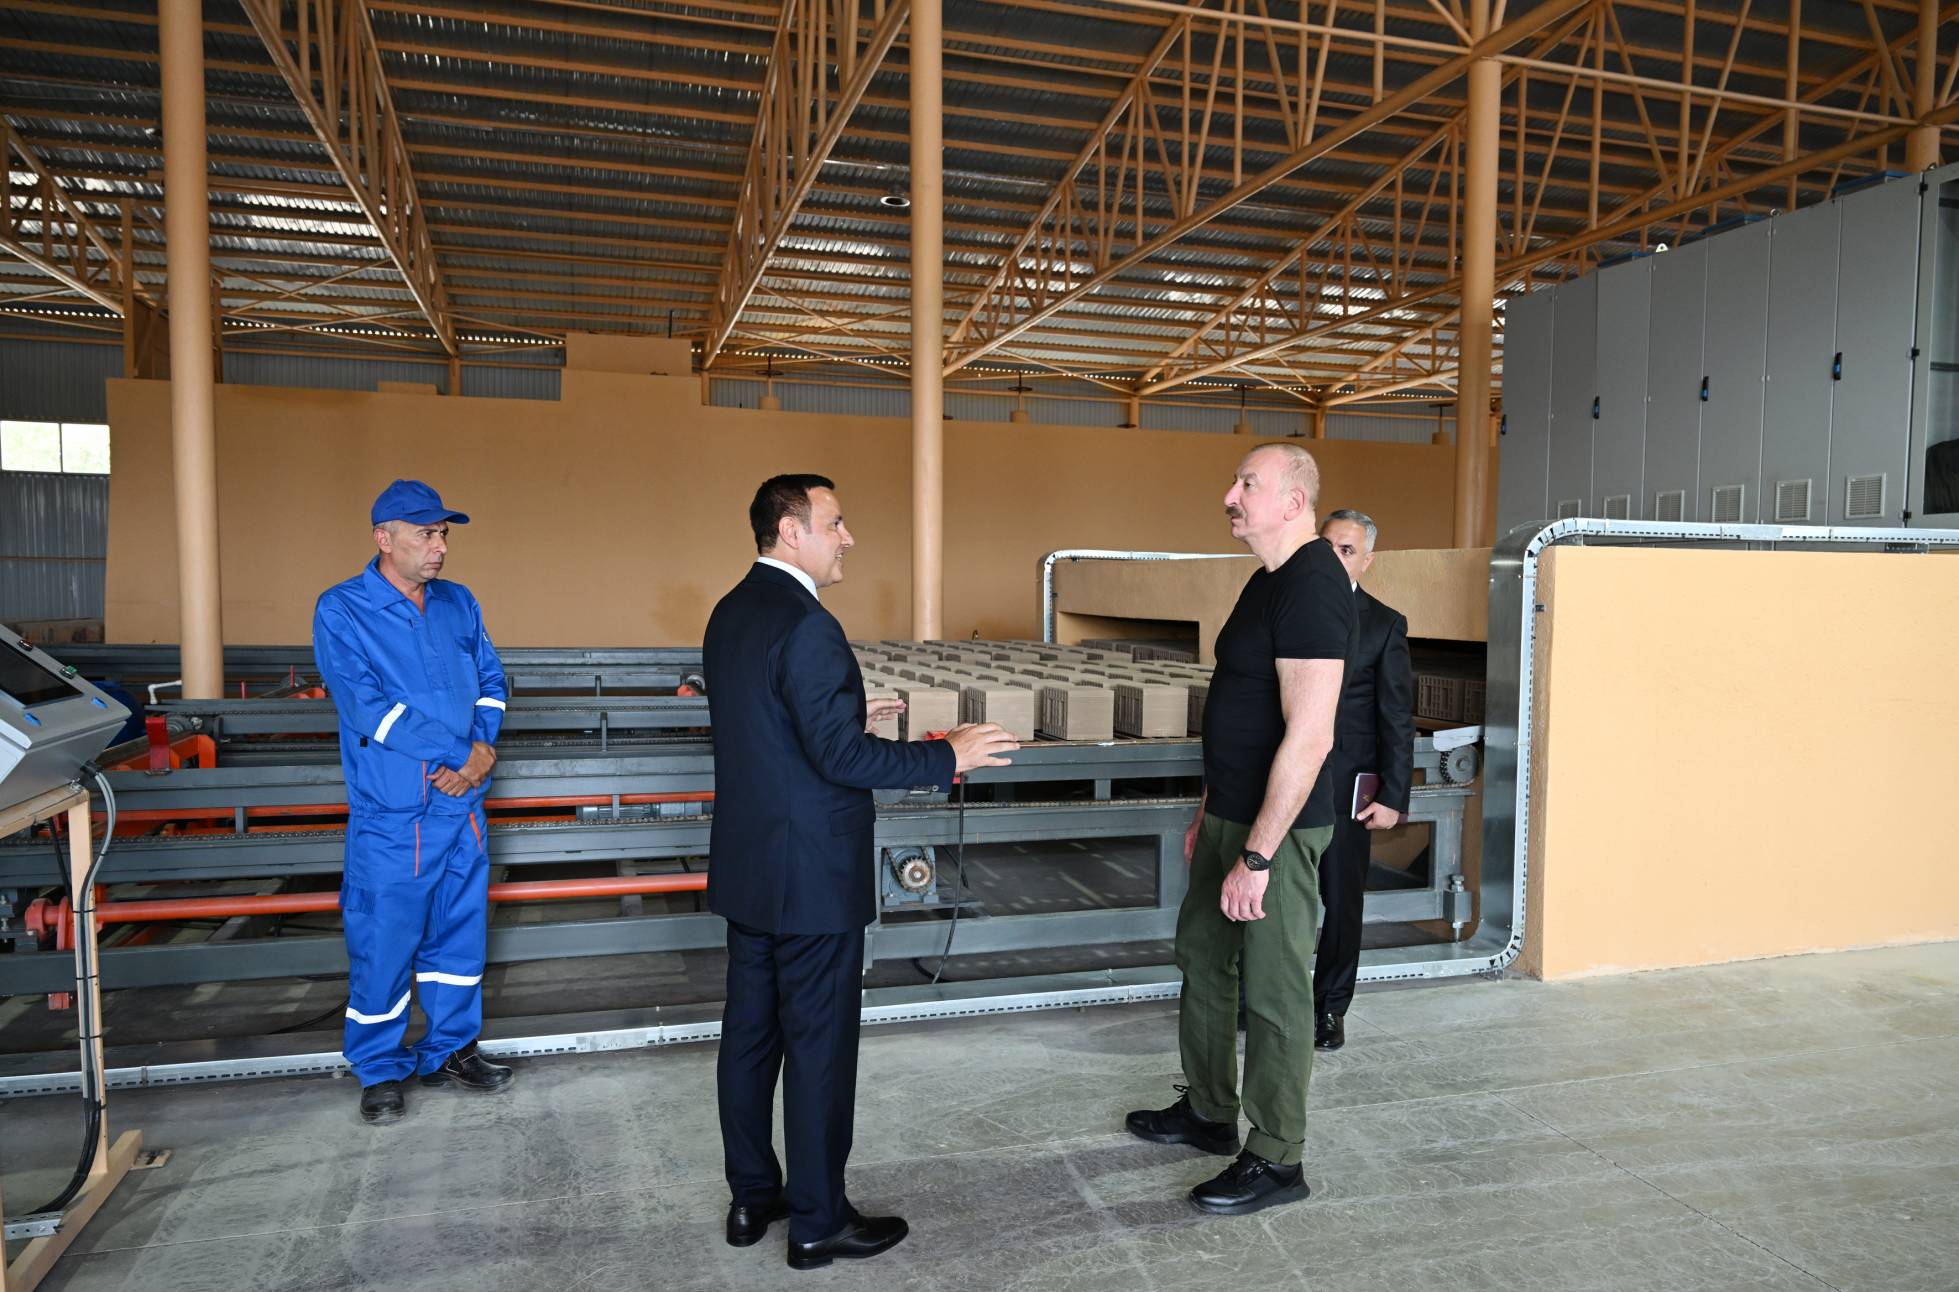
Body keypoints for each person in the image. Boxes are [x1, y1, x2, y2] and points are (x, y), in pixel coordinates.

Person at [704, 474, 1019, 1270]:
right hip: (810, 878)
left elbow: (771, 724)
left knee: (749, 1039)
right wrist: (946, 755)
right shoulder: (808, 624)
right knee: (817, 1048)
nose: (847, 537)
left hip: (750, 868)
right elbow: (841, 761)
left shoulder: (733, 610)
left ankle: (752, 1198)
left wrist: (847, 712)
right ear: (790, 531)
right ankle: (817, 1222)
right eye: (835, 522)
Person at [1126, 442, 1353, 1215]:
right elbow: (1239, 713)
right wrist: (1209, 814)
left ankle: (1277, 1155)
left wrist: (1256, 855)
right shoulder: (1266, 579)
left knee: (1274, 991)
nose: (1230, 494)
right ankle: (1209, 1110)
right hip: (1229, 813)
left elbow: (1310, 736)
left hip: (1275, 833)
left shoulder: (1313, 585)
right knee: (1202, 957)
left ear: (1292, 501)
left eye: (1247, 484)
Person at [312, 479, 512, 1126]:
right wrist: (458, 754)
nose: (440, 546)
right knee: (384, 941)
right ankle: (379, 1067)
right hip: (395, 812)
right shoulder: (343, 610)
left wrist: (478, 751)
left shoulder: (459, 602)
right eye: (426, 534)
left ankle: (451, 1049)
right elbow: (367, 707)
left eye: (443, 534)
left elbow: (491, 681)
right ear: (384, 538)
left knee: (459, 937)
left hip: (462, 805)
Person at [1312, 509, 1413, 1052]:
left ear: (1366, 561)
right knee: (1267, 894)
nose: (1334, 557)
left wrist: (1392, 796)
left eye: (1347, 550)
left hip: (1344, 786)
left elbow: (1395, 717)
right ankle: (1254, 1000)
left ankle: (1329, 1008)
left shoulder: (1383, 624)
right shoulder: (1282, 606)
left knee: (1341, 901)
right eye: (1327, 546)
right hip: (1279, 780)